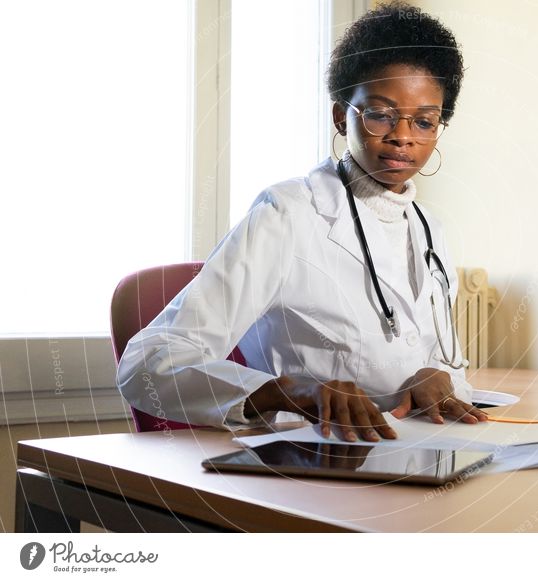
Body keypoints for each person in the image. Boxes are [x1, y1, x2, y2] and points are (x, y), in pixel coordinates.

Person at [117, 1, 487, 441]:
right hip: (312, 461)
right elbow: (149, 362)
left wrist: (435, 378)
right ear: (340, 115)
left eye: (424, 121)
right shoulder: (286, 214)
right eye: (379, 113)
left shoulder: (428, 229)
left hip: (414, 452)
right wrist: (290, 392)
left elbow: (445, 363)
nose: (402, 135)